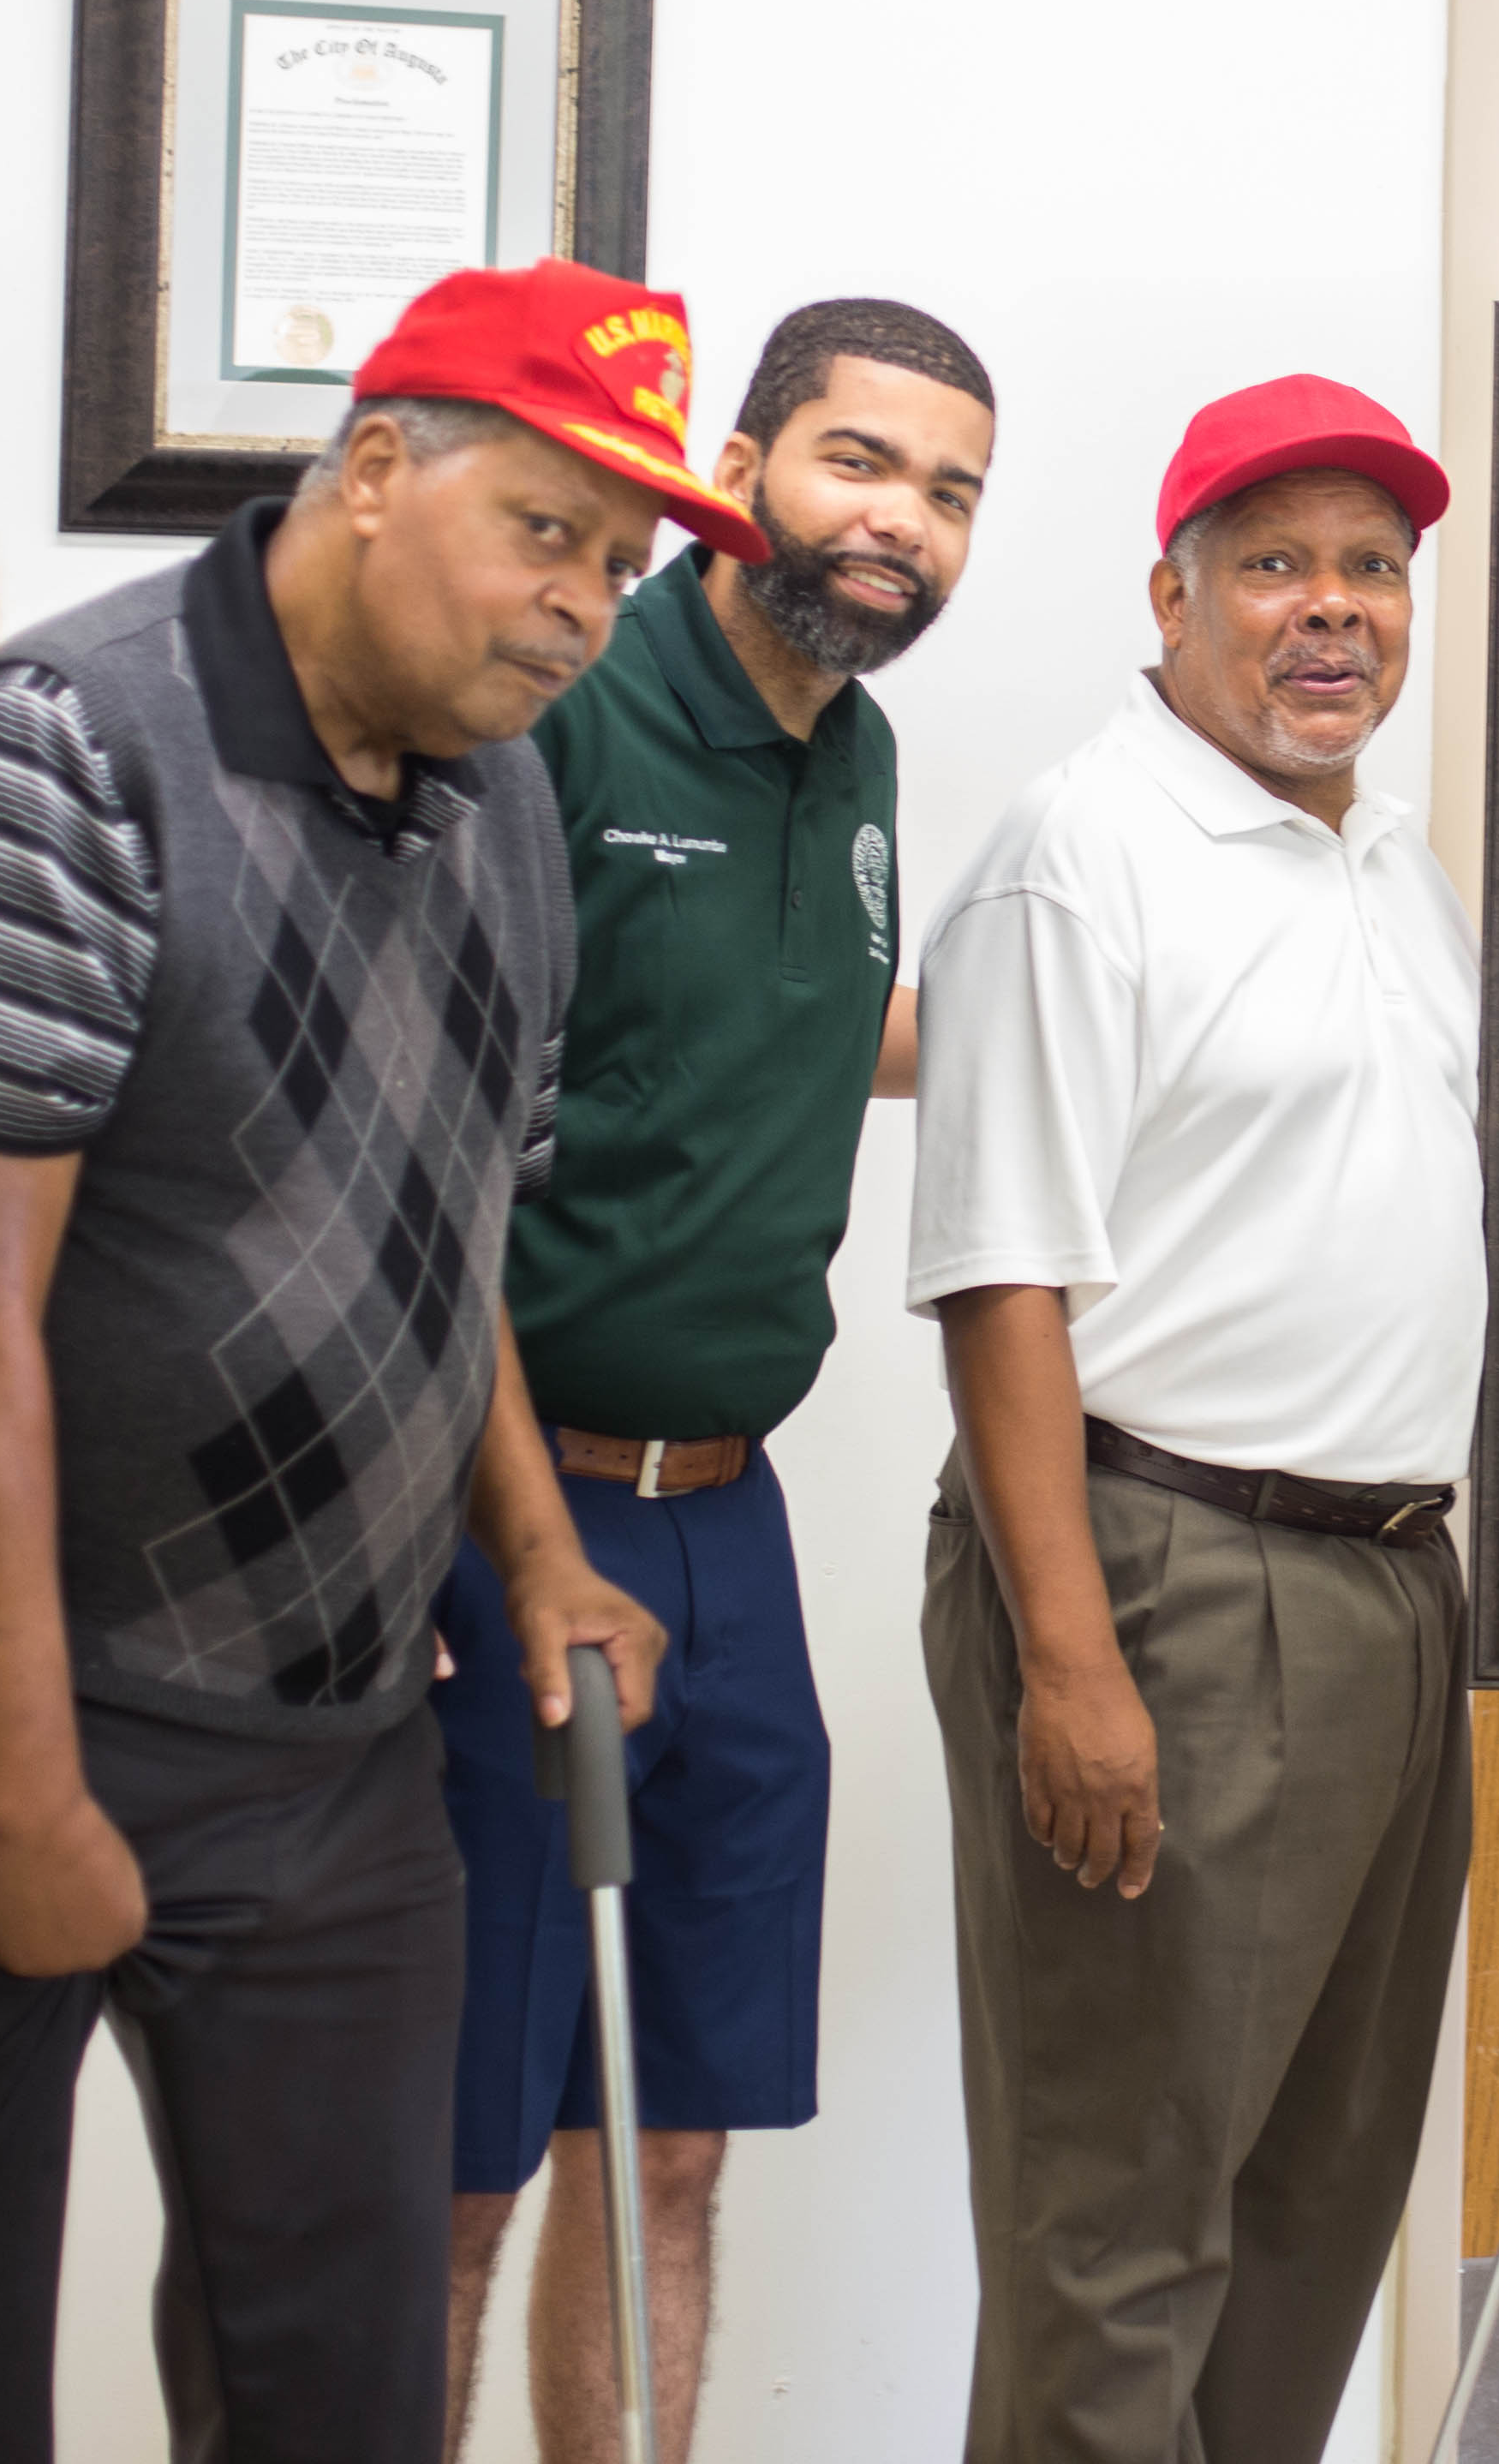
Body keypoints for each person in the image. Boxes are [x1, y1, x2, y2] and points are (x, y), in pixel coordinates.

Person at [0, 260, 748, 2460]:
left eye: (619, 567)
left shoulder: (509, 798)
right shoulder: (68, 748)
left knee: (334, 2396)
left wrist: (536, 1557)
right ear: (370, 469)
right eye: (544, 530)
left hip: (335, 1744)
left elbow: (451, 1245)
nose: (581, 606)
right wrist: (32, 1787)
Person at [437, 297, 996, 2464]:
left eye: (948, 494)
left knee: (666, 2142)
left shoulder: (850, 752)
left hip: (730, 1514)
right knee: (465, 2154)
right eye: (858, 463)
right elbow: (444, 1130)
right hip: (510, 1506)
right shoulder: (567, 705)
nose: (899, 524)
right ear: (741, 459)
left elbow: (795, 1021)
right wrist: (496, 1533)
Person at [908, 374, 1479, 2464]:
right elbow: (998, 1276)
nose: (1329, 613)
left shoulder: (1391, 864)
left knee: (1316, 2214)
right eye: (1272, 567)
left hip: (1389, 1592)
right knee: (1120, 2231)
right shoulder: (1084, 852)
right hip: (1163, 1575)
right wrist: (1071, 1662)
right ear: (1169, 594)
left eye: (1369, 569)